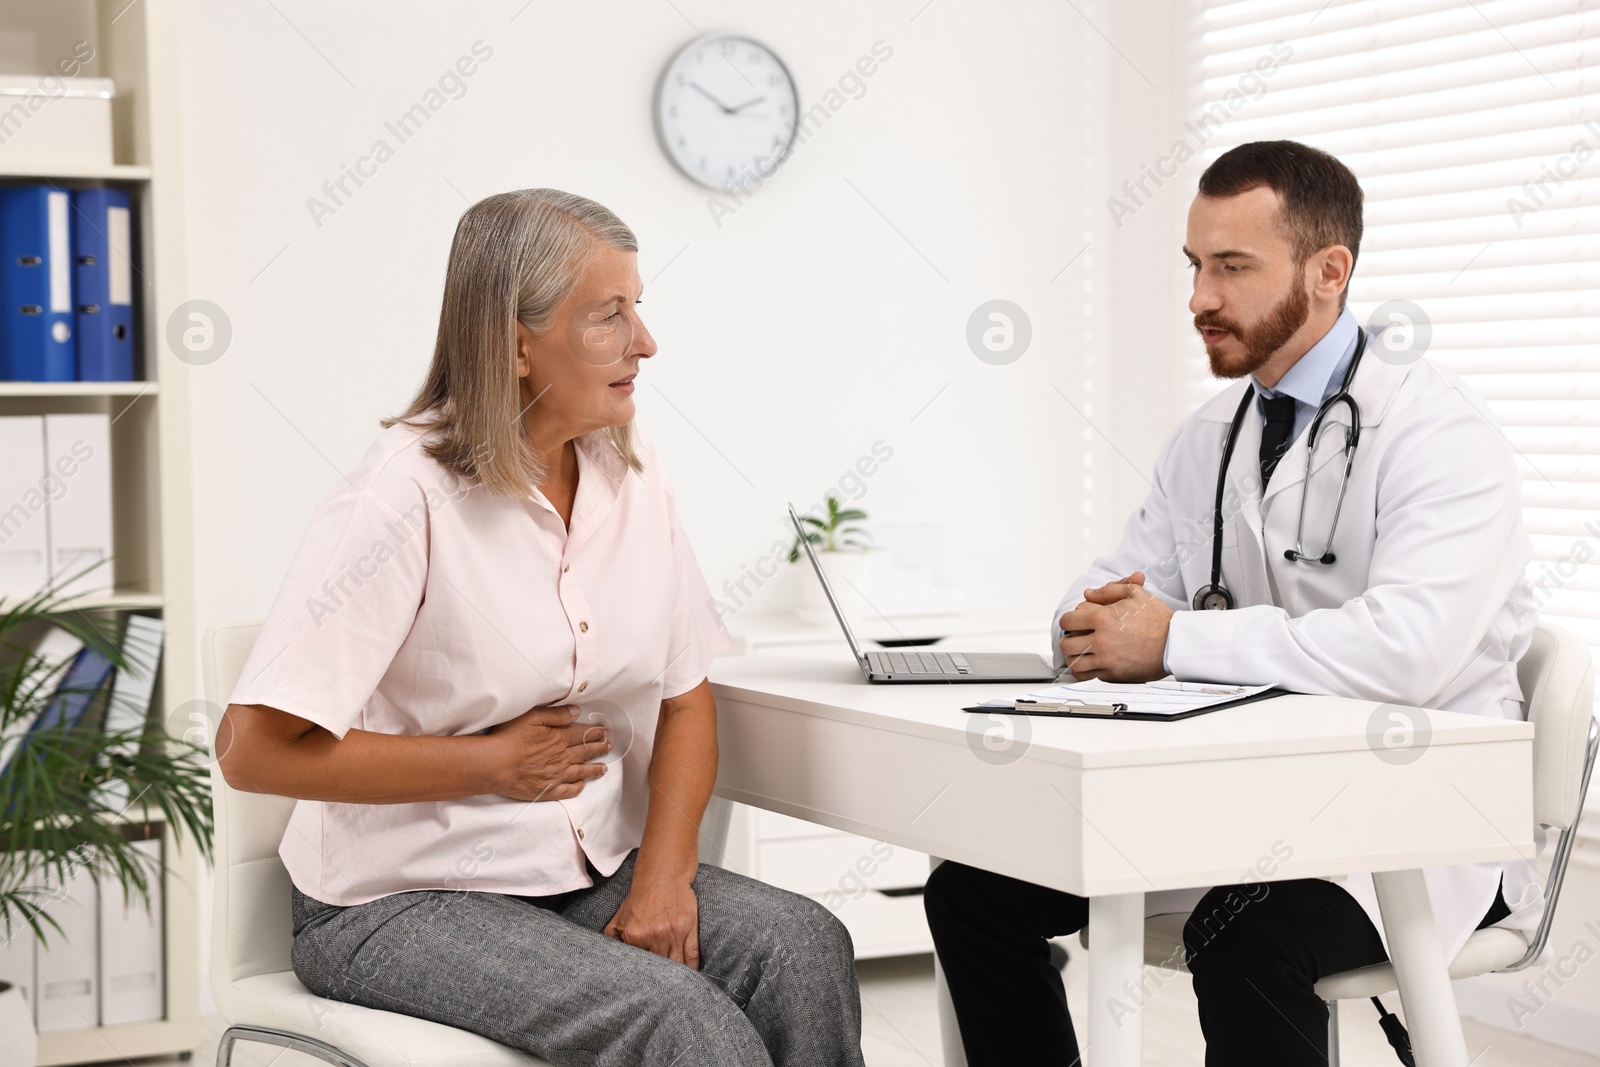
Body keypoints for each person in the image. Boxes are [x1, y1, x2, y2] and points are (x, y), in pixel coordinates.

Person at [219, 189, 866, 1067]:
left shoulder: (635, 479)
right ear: (515, 344)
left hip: (579, 873)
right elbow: (250, 749)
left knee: (805, 946)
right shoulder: (403, 497)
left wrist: (665, 877)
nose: (645, 341)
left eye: (638, 308)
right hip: (397, 900)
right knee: (682, 1022)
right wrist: (486, 763)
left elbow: (684, 699)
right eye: (609, 316)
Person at [924, 141, 1537, 1066]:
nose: (1199, 297)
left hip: (1410, 825)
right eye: (1195, 266)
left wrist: (1172, 639)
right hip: (1236, 805)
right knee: (976, 889)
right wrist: (1089, 625)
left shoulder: (1439, 434)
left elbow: (1405, 653)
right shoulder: (1208, 437)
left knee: (1247, 933)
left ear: (1330, 272)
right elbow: (1103, 596)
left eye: (1232, 267)